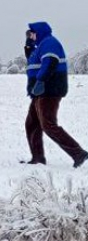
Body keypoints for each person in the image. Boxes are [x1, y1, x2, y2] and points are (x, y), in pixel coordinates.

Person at [23, 20, 88, 168]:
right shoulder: (41, 45)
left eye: (31, 33)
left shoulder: (50, 43)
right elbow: (32, 59)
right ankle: (38, 159)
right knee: (32, 124)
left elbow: (50, 62)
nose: (30, 35)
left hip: (49, 90)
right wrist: (28, 43)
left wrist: (40, 81)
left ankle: (78, 153)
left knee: (48, 124)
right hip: (40, 92)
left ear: (38, 32)